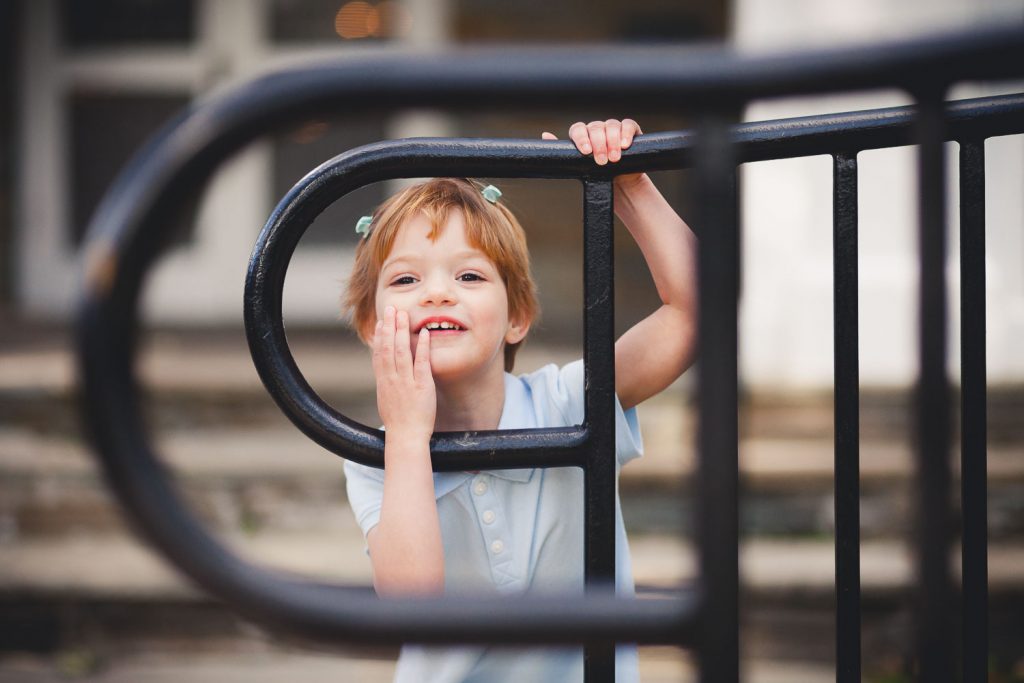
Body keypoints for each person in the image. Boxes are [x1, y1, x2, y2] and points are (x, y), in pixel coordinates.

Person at [342, 119, 698, 682]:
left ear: (517, 317)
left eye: (469, 274)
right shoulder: (373, 453)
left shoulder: (564, 402)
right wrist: (408, 436)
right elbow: (412, 606)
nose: (438, 291)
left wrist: (631, 187)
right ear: (370, 324)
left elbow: (693, 312)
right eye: (406, 281)